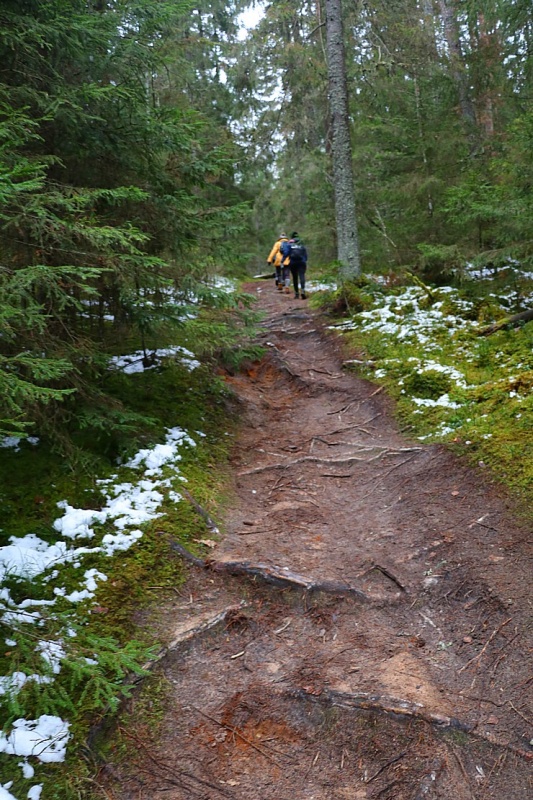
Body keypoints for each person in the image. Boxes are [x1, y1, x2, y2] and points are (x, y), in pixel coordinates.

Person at [283, 231, 308, 299]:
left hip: (293, 262)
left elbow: (286, 253)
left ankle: (296, 293)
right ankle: (303, 291)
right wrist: (305, 260)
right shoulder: (301, 243)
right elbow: (305, 253)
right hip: (301, 262)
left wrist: (283, 260)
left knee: (295, 277)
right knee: (302, 276)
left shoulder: (289, 243)